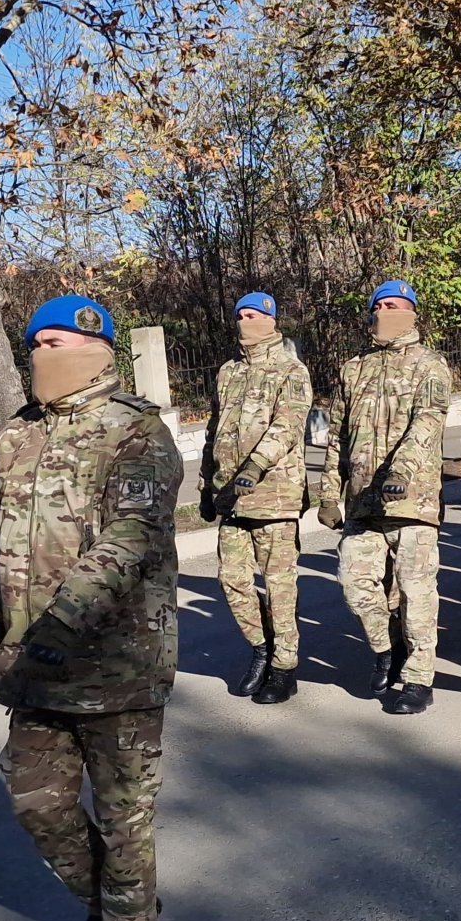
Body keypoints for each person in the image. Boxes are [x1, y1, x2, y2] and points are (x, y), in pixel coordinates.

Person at [0, 295, 180, 921]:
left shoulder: (137, 433)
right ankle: (112, 904)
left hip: (117, 661)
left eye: (55, 342)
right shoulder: (15, 435)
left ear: (97, 348)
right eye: (35, 344)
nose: (41, 356)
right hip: (31, 663)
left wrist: (58, 627)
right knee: (36, 800)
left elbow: (129, 540)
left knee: (126, 817)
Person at [320, 281, 453, 714]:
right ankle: (386, 647)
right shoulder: (353, 368)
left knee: (416, 592)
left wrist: (402, 471)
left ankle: (418, 678)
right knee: (355, 585)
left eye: (394, 305)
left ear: (412, 312)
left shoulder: (430, 365)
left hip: (411, 500)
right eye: (378, 305)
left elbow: (428, 424)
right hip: (362, 501)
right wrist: (327, 494)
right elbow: (336, 437)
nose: (384, 311)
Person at [200, 292, 311, 704]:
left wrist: (254, 467)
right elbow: (215, 430)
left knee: (280, 585)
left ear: (272, 319)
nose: (246, 322)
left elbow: (287, 426)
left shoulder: (291, 370)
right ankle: (261, 648)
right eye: (240, 315)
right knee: (232, 580)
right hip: (230, 496)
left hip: (273, 495)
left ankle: (285, 666)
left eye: (254, 315)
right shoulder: (228, 371)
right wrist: (207, 487)